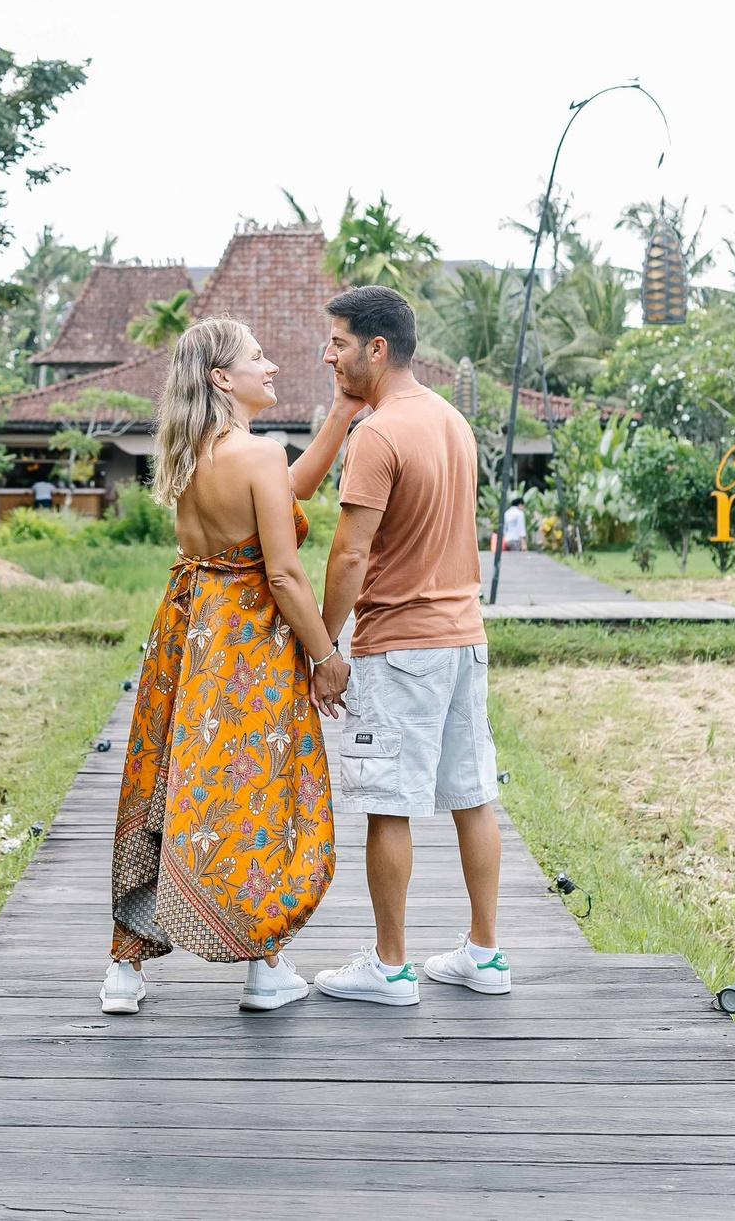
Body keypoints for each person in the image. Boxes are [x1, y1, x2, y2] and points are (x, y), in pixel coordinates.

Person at [103, 318, 362, 1014]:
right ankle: (265, 967)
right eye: (257, 358)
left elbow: (290, 484)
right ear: (223, 378)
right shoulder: (258, 456)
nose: (272, 366)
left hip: (186, 633)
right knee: (255, 793)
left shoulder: (191, 452)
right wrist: (326, 656)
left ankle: (125, 971)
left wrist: (341, 413)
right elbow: (282, 572)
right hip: (248, 647)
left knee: (166, 781)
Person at [308, 286, 511, 1006]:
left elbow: (350, 555)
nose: (328, 354)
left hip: (398, 647)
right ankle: (484, 955)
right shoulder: (454, 422)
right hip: (465, 641)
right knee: (472, 793)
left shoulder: (379, 434)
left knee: (388, 803)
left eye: (337, 341)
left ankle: (391, 966)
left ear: (377, 348)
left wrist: (326, 647)